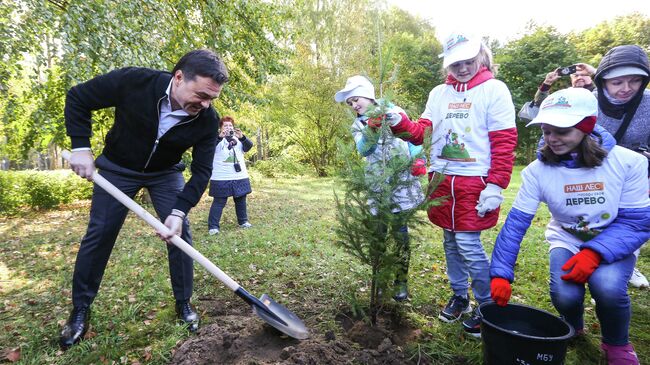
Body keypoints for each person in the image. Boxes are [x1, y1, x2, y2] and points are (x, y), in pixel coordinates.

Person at [60, 49, 228, 349]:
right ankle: (80, 310)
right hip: (116, 169)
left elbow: (202, 172)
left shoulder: (206, 120)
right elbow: (78, 97)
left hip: (165, 174)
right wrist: (81, 147)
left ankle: (183, 303)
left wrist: (178, 212)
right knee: (99, 234)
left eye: (211, 99)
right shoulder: (134, 81)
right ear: (178, 78)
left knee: (182, 234)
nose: (205, 104)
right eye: (202, 94)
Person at [489, 87, 649, 365]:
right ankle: (573, 324)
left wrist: (595, 253)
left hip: (613, 238)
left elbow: (637, 222)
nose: (552, 139)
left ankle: (616, 344)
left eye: (561, 131)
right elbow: (515, 225)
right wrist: (501, 273)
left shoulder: (628, 163)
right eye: (546, 131)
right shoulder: (537, 172)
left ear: (586, 126)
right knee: (564, 293)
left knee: (608, 288)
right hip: (567, 239)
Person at [387, 32, 517, 336]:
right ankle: (460, 296)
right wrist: (398, 122)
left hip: (476, 181)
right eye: (455, 62)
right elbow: (420, 134)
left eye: (468, 60)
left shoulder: (494, 90)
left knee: (469, 244)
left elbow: (504, 141)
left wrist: (496, 184)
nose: (462, 67)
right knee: (449, 241)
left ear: (481, 56)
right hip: (442, 179)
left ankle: (486, 308)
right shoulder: (438, 94)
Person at [335, 75, 425, 301]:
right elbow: (363, 150)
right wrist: (371, 131)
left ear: (368, 94)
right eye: (350, 103)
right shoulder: (358, 124)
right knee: (379, 234)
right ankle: (380, 281)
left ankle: (401, 281)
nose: (354, 105)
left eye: (356, 99)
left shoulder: (395, 110)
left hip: (400, 181)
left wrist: (417, 160)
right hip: (377, 183)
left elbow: (412, 138)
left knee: (400, 234)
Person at [577, 44, 650, 289]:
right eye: (617, 82)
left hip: (637, 176)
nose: (626, 88)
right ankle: (591, 264)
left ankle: (625, 268)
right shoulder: (588, 103)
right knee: (598, 222)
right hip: (596, 173)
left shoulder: (648, 105)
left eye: (634, 81)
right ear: (603, 81)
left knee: (630, 223)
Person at [207, 116, 254, 234]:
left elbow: (248, 146)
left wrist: (242, 137)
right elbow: (209, 149)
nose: (228, 128)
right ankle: (213, 227)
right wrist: (219, 137)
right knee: (219, 202)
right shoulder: (216, 139)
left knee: (241, 199)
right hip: (221, 177)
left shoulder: (238, 140)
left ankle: (243, 221)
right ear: (220, 128)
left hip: (239, 175)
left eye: (230, 126)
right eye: (225, 126)